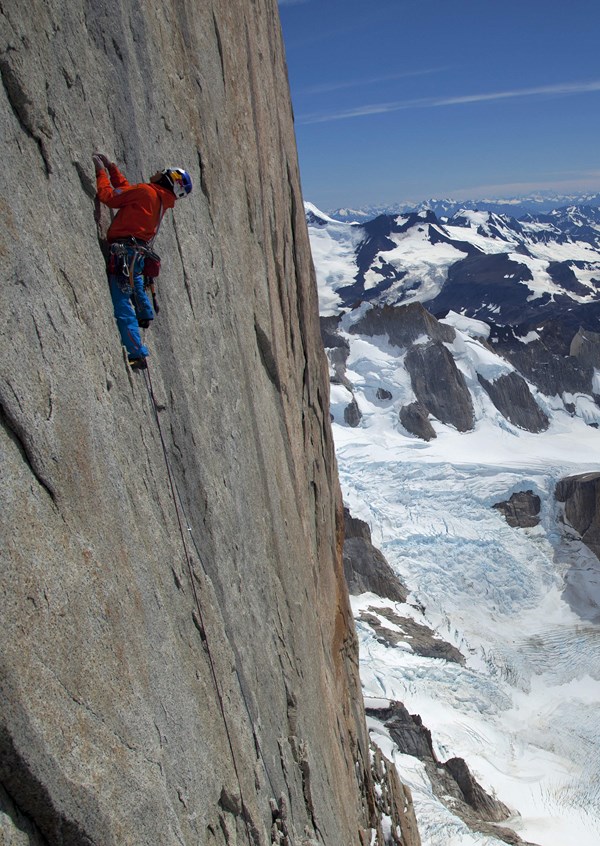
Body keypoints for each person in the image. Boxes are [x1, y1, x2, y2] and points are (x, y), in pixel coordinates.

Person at [93, 154, 192, 369]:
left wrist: (101, 172)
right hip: (134, 253)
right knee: (134, 280)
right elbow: (129, 194)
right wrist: (113, 169)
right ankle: (145, 312)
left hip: (123, 254)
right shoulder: (158, 200)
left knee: (121, 303)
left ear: (167, 179)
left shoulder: (147, 192)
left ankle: (137, 353)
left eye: (162, 171)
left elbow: (109, 197)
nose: (157, 171)